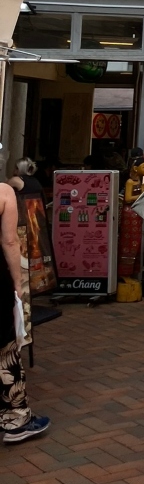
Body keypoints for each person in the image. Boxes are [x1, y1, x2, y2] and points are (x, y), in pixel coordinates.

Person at [0, 182, 50, 443]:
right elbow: (10, 241)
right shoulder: (4, 192)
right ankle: (16, 419)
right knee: (6, 352)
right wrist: (18, 284)